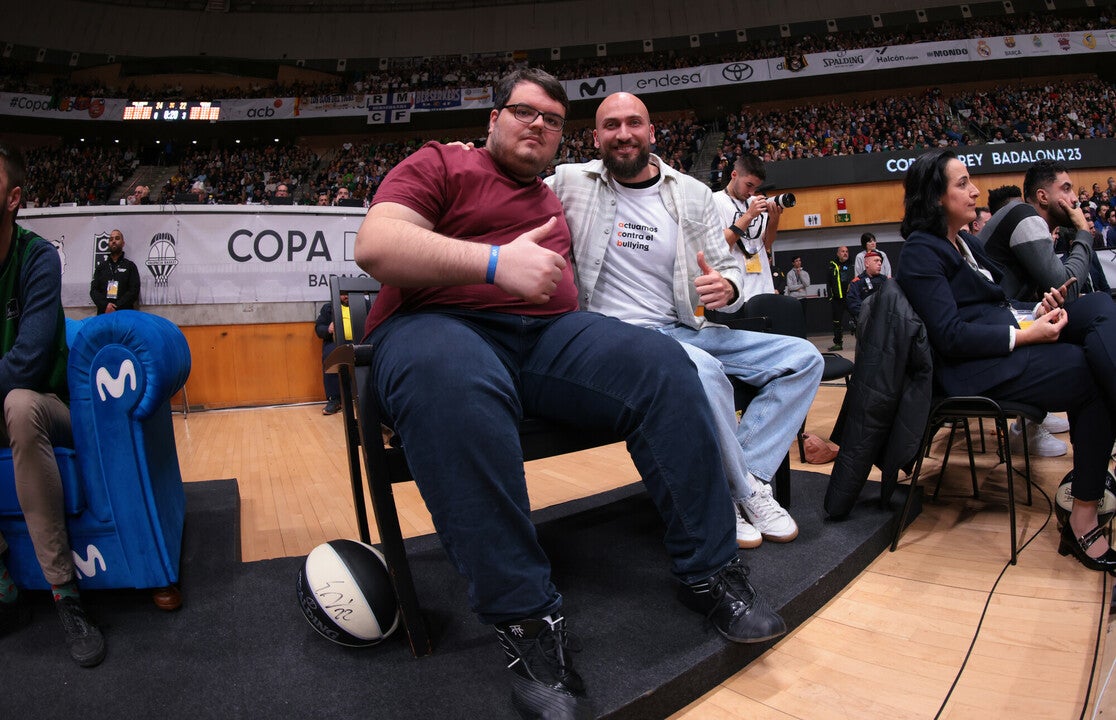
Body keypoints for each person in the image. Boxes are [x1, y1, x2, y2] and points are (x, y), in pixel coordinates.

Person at [353, 69, 785, 720]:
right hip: (436, 327)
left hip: (541, 339)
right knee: (455, 380)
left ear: (560, 139)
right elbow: (377, 246)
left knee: (663, 362)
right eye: (523, 111)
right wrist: (493, 264)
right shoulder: (440, 163)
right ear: (492, 118)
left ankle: (710, 573)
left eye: (552, 120)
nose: (537, 125)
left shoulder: (554, 200)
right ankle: (527, 619)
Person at [547, 91, 822, 549]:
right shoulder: (569, 181)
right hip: (613, 340)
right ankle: (744, 493)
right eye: (610, 125)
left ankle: (742, 478)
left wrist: (729, 288)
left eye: (633, 123)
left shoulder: (691, 193)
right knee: (707, 372)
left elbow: (727, 264)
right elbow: (508, 183)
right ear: (595, 137)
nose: (623, 134)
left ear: (651, 132)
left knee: (804, 359)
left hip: (681, 330)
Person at [895, 148, 1116, 576]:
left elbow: (994, 303)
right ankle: (1083, 516)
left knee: (1100, 305)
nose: (975, 190)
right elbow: (950, 335)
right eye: (962, 183)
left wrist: (1034, 312)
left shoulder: (964, 241)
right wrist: (1024, 334)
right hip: (972, 370)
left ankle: (1087, 498)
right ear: (935, 196)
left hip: (1004, 342)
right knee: (1090, 372)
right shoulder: (921, 251)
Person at [0, 143, 106, 666]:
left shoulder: (36, 257)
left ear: (14, 197)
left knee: (18, 403)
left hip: (49, 410)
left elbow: (27, 364)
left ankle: (66, 595)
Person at [979, 160, 1097, 456]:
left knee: (1078, 313)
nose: (1075, 199)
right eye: (1066, 189)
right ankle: (1027, 426)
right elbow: (1064, 288)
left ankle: (1035, 415)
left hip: (1003, 317)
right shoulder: (1025, 216)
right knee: (1089, 316)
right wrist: (1083, 233)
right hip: (988, 331)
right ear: (1043, 196)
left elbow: (1056, 292)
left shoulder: (1032, 221)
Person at [711, 154, 782, 301]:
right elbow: (720, 244)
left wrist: (774, 220)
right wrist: (749, 215)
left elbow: (766, 244)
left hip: (764, 287)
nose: (751, 193)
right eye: (749, 185)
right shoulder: (715, 200)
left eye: (756, 188)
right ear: (734, 175)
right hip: (735, 292)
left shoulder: (755, 202)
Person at [314, 291, 350, 415]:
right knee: (330, 355)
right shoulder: (328, 308)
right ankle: (335, 399)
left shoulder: (363, 304)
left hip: (360, 340)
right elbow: (319, 329)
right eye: (343, 294)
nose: (346, 296)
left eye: (348, 293)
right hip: (336, 341)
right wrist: (328, 329)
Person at [89, 228, 141, 314]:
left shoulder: (130, 266)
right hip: (104, 313)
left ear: (123, 243)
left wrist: (116, 306)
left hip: (124, 314)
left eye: (117, 238)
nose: (113, 241)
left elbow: (134, 291)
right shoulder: (101, 267)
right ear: (108, 243)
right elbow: (93, 291)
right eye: (111, 239)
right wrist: (106, 305)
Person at [846, 250, 888, 320]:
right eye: (876, 260)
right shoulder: (856, 283)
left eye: (880, 261)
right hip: (867, 322)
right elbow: (854, 305)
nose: (880, 263)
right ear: (867, 264)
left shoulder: (886, 280)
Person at [827, 245, 853, 351]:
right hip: (837, 299)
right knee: (837, 322)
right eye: (842, 251)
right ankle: (838, 343)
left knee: (858, 319)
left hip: (850, 298)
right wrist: (831, 297)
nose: (845, 253)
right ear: (838, 254)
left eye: (846, 251)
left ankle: (862, 341)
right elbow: (828, 282)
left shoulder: (852, 265)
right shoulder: (832, 266)